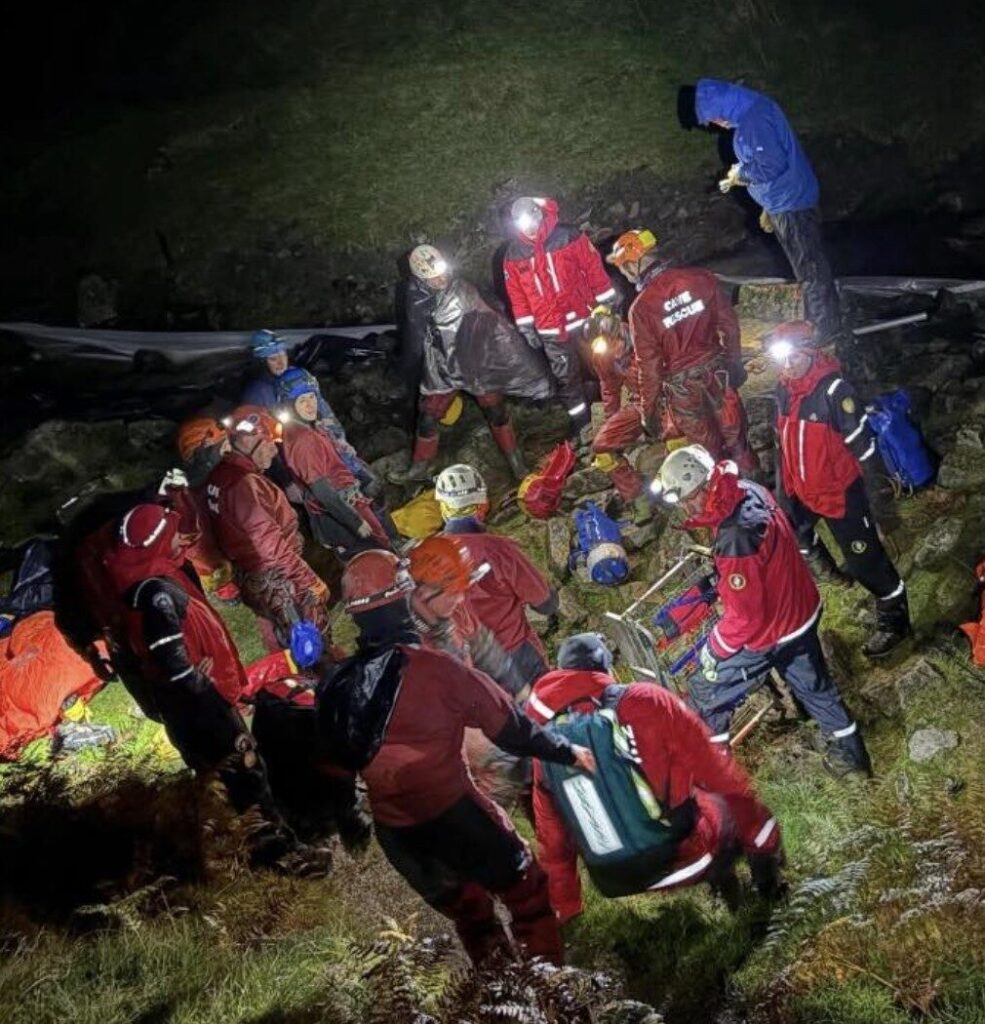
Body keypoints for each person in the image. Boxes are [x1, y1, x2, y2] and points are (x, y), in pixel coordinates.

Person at [315, 549, 595, 966]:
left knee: (472, 916)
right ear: (405, 599)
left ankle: (504, 1000)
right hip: (461, 818)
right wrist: (568, 752)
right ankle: (553, 993)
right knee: (527, 894)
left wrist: (347, 817)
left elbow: (335, 766)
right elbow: (513, 731)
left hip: (400, 838)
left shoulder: (334, 686)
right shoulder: (437, 670)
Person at [99, 503, 328, 873]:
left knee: (224, 779)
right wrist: (195, 682)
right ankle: (281, 857)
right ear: (155, 543)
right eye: (172, 536)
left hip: (186, 708)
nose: (180, 541)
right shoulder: (155, 595)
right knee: (246, 776)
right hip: (201, 709)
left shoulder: (134, 586)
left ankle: (250, 848)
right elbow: (170, 660)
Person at [526, 633, 785, 921]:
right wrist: (762, 830)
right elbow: (715, 771)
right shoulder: (645, 700)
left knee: (701, 810)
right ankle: (768, 905)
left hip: (615, 879)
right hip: (680, 856)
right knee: (725, 810)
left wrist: (565, 906)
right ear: (604, 668)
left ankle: (729, 899)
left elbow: (552, 837)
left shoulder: (546, 747)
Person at [652, 445, 872, 779]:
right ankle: (852, 758)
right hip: (801, 611)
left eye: (685, 498)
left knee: (704, 689)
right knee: (815, 685)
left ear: (702, 486)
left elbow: (746, 619)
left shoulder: (735, 535)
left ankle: (717, 775)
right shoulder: (747, 489)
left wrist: (714, 649)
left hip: (774, 631)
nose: (683, 507)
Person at [764, 320, 910, 657]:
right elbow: (781, 444)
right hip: (802, 491)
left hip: (840, 495)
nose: (788, 366)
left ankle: (895, 619)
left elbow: (866, 450)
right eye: (781, 359)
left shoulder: (834, 391)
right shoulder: (784, 389)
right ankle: (833, 573)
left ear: (810, 351)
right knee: (796, 535)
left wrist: (882, 509)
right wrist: (784, 492)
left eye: (794, 358)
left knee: (868, 563)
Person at [691, 79, 842, 345]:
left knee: (810, 268)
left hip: (792, 203)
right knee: (807, 265)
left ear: (722, 107)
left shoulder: (754, 122)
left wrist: (740, 175)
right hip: (785, 200)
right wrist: (767, 206)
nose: (716, 124)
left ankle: (824, 329)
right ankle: (821, 320)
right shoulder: (753, 112)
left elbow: (771, 167)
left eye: (714, 117)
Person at [604, 229, 760, 483]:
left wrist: (649, 412)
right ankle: (760, 495)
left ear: (634, 262)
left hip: (683, 390)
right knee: (739, 443)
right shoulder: (700, 278)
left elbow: (649, 367)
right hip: (717, 373)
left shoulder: (641, 309)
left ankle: (725, 498)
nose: (624, 274)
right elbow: (729, 325)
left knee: (708, 453)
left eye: (623, 268)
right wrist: (734, 363)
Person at [392, 244, 550, 483]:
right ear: (421, 279)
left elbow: (493, 319)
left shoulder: (464, 290)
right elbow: (415, 337)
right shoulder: (415, 297)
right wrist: (408, 368)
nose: (441, 279)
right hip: (443, 364)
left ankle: (516, 462)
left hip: (475, 361)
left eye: (442, 273)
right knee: (428, 416)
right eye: (433, 278)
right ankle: (419, 468)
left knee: (495, 410)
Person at [204, 406, 329, 652]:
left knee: (274, 628)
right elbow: (269, 546)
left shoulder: (221, 474)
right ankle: (321, 675)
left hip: (251, 574)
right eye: (270, 442)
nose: (274, 450)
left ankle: (287, 667)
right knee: (310, 637)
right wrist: (308, 580)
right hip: (276, 579)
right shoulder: (244, 484)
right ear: (249, 439)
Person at [502, 197, 617, 441]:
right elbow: (517, 295)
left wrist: (606, 300)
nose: (529, 227)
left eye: (531, 220)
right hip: (550, 329)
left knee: (604, 362)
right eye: (522, 224)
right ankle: (582, 423)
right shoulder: (513, 255)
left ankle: (615, 409)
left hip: (585, 317)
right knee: (567, 377)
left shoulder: (568, 236)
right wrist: (526, 326)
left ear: (539, 214)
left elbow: (592, 267)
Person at [436, 463, 559, 691]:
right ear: (482, 504)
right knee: (546, 709)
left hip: (470, 671)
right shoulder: (498, 550)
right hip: (518, 654)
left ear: (443, 507)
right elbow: (547, 604)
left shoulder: (425, 560)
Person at [276, 372, 390, 556]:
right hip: (343, 510)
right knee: (379, 555)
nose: (310, 405)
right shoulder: (302, 439)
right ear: (290, 405)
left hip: (347, 503)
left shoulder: (308, 426)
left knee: (378, 553)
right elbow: (322, 491)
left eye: (312, 397)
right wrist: (356, 521)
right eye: (302, 400)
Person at [241, 329, 292, 408]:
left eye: (283, 356)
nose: (281, 363)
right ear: (262, 363)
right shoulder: (257, 392)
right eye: (273, 359)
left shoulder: (296, 377)